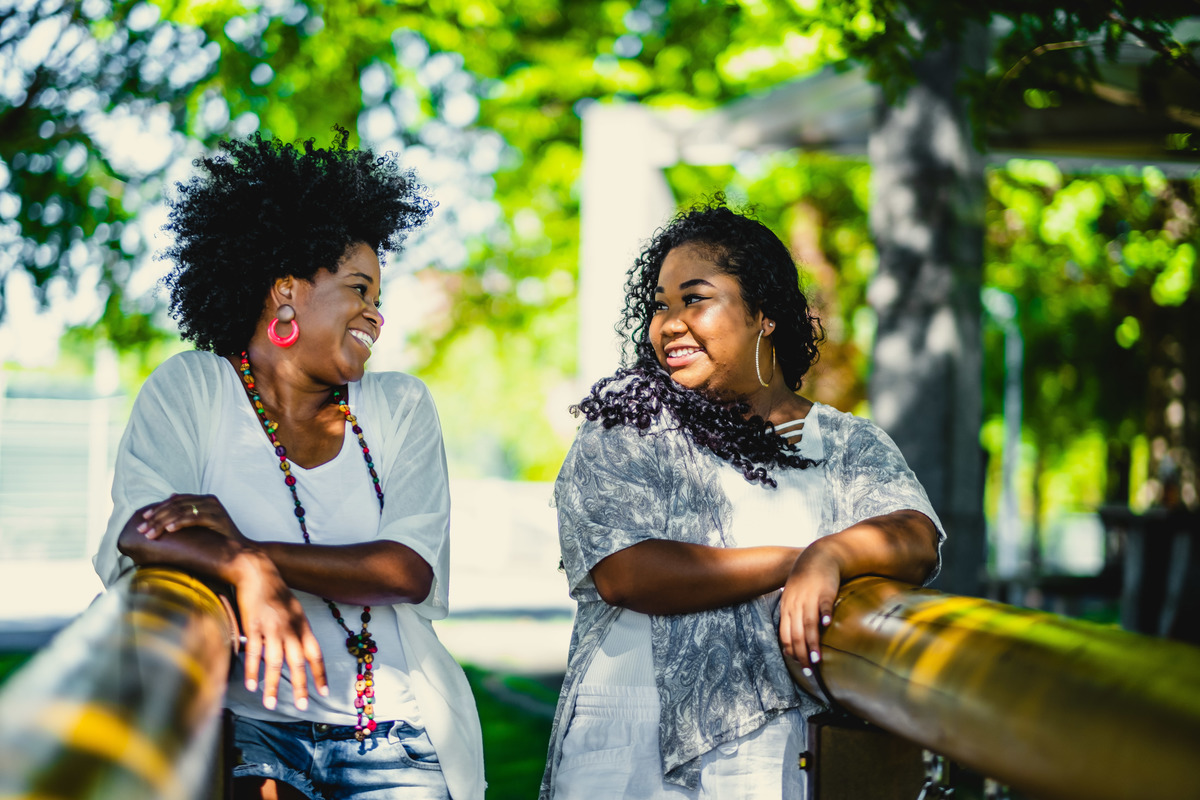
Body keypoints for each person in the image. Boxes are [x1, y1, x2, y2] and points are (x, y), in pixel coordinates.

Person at [92, 130, 484, 800]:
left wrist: (243, 551)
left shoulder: (398, 406)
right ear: (286, 292)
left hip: (396, 736)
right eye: (359, 288)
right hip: (251, 734)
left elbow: (406, 568)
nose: (376, 314)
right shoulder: (194, 390)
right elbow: (140, 530)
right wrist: (243, 571)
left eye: (378, 296)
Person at [541, 200, 945, 798]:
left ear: (764, 313)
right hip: (629, 756)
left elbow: (916, 539)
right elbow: (627, 572)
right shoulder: (630, 425)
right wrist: (801, 560)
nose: (670, 323)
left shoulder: (845, 443)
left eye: (695, 299)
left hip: (778, 759)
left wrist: (833, 556)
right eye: (660, 305)